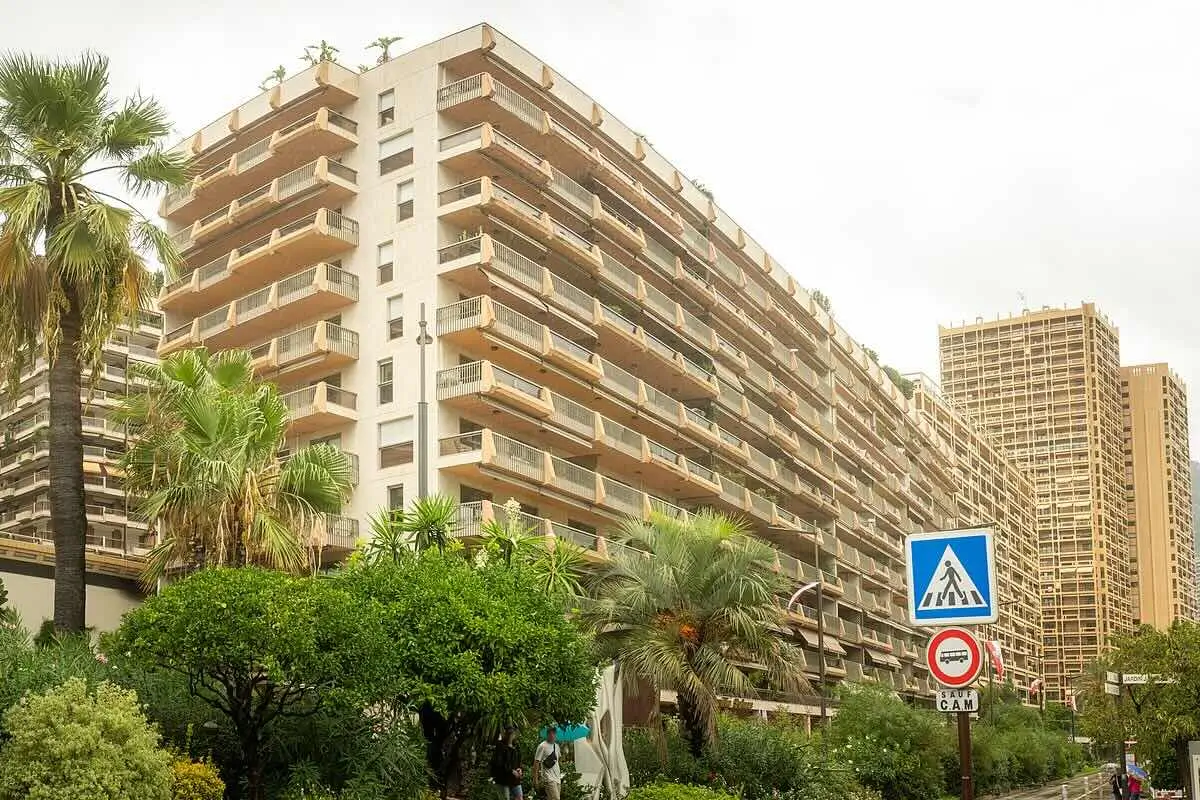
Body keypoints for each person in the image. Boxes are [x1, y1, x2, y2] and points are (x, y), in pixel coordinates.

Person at [490, 726, 524, 800]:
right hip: (503, 779)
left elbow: (519, 760)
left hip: (514, 779)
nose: (514, 736)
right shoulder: (500, 746)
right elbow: (498, 763)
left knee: (519, 797)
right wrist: (511, 770)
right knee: (505, 798)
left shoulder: (516, 746)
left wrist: (520, 769)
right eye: (512, 734)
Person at [533, 728, 562, 800]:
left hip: (557, 778)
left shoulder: (557, 746)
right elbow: (536, 763)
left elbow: (559, 760)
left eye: (553, 733)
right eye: (550, 733)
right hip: (548, 778)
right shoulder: (542, 746)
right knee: (556, 798)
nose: (552, 735)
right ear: (547, 734)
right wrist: (535, 780)